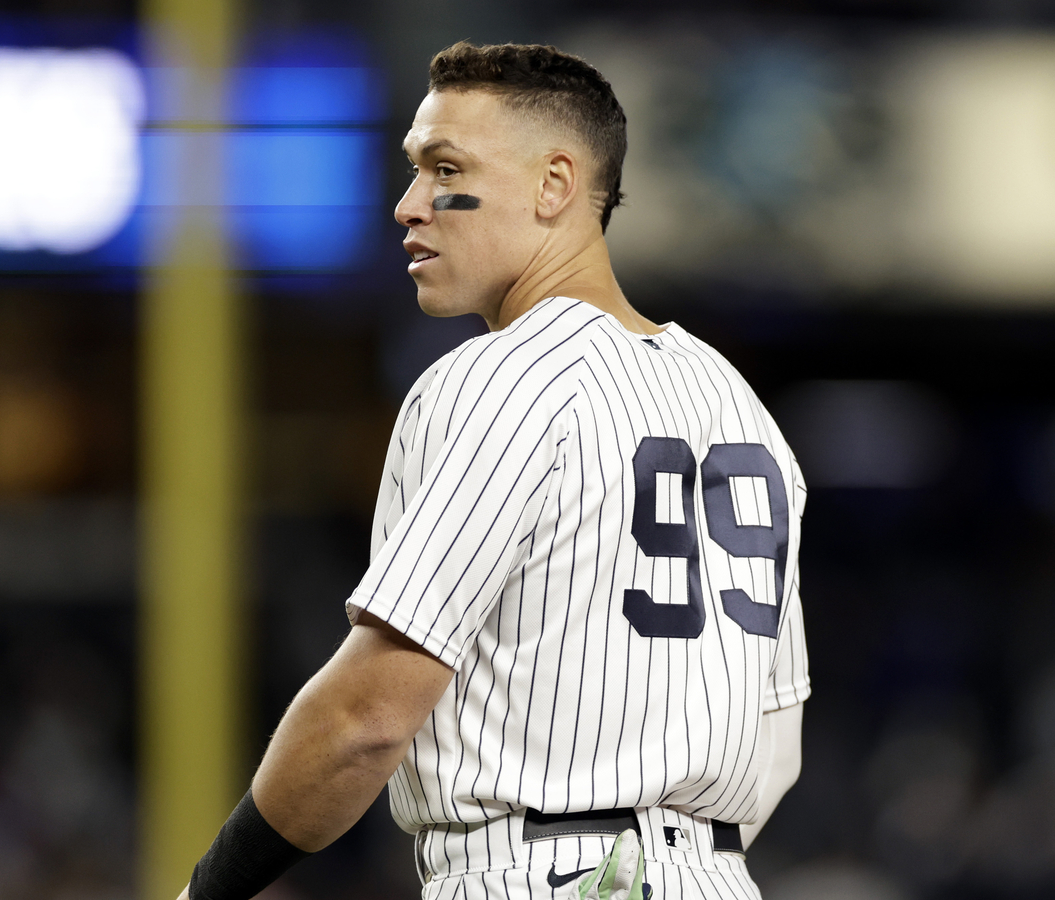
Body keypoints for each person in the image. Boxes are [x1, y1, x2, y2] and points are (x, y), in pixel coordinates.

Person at [180, 41, 808, 900]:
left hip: (534, 875)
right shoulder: (740, 407)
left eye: (446, 169)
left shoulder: (500, 378)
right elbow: (777, 738)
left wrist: (210, 889)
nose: (409, 206)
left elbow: (366, 719)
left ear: (555, 185)